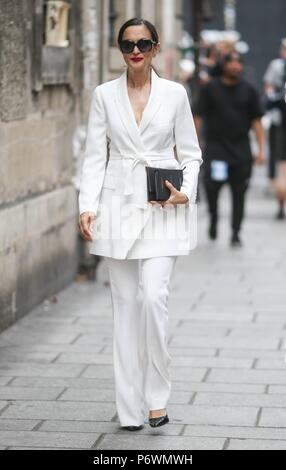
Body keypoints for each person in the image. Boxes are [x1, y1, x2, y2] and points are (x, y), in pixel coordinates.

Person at [78, 18, 203, 431]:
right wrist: (87, 204)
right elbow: (95, 154)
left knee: (153, 298)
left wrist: (187, 190)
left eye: (144, 43)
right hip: (116, 208)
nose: (136, 50)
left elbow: (191, 153)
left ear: (155, 47)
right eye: (128, 44)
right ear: (120, 49)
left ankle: (158, 398)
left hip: (163, 206)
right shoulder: (103, 95)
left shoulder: (175, 93)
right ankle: (131, 410)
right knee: (125, 309)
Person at [194, 51, 265, 247]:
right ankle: (214, 219)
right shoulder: (210, 89)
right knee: (212, 190)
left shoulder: (249, 91)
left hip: (241, 152)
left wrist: (260, 150)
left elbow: (257, 121)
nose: (234, 66)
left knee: (239, 193)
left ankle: (235, 231)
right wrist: (195, 144)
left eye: (238, 63)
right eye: (231, 62)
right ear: (224, 66)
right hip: (216, 151)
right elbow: (198, 116)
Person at [263, 38, 286, 219]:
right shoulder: (277, 67)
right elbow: (269, 89)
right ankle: (280, 202)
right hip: (281, 122)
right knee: (280, 162)